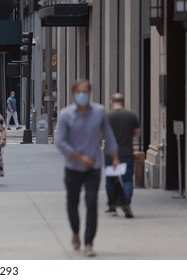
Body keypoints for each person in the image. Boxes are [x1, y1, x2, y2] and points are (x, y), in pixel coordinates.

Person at [55, 79, 120, 257]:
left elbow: (109, 135)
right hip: (73, 166)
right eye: (79, 91)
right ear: (74, 93)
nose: (82, 94)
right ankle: (76, 231)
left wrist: (114, 156)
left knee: (91, 202)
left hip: (93, 166)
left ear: (89, 93)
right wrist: (78, 157)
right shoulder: (66, 114)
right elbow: (60, 141)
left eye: (85, 91)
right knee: (72, 203)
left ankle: (89, 242)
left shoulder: (99, 112)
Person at [105, 93, 141, 218]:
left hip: (110, 153)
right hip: (127, 152)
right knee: (127, 179)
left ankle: (112, 205)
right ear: (123, 103)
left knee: (110, 179)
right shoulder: (131, 115)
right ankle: (126, 202)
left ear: (111, 103)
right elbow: (137, 133)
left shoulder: (107, 116)